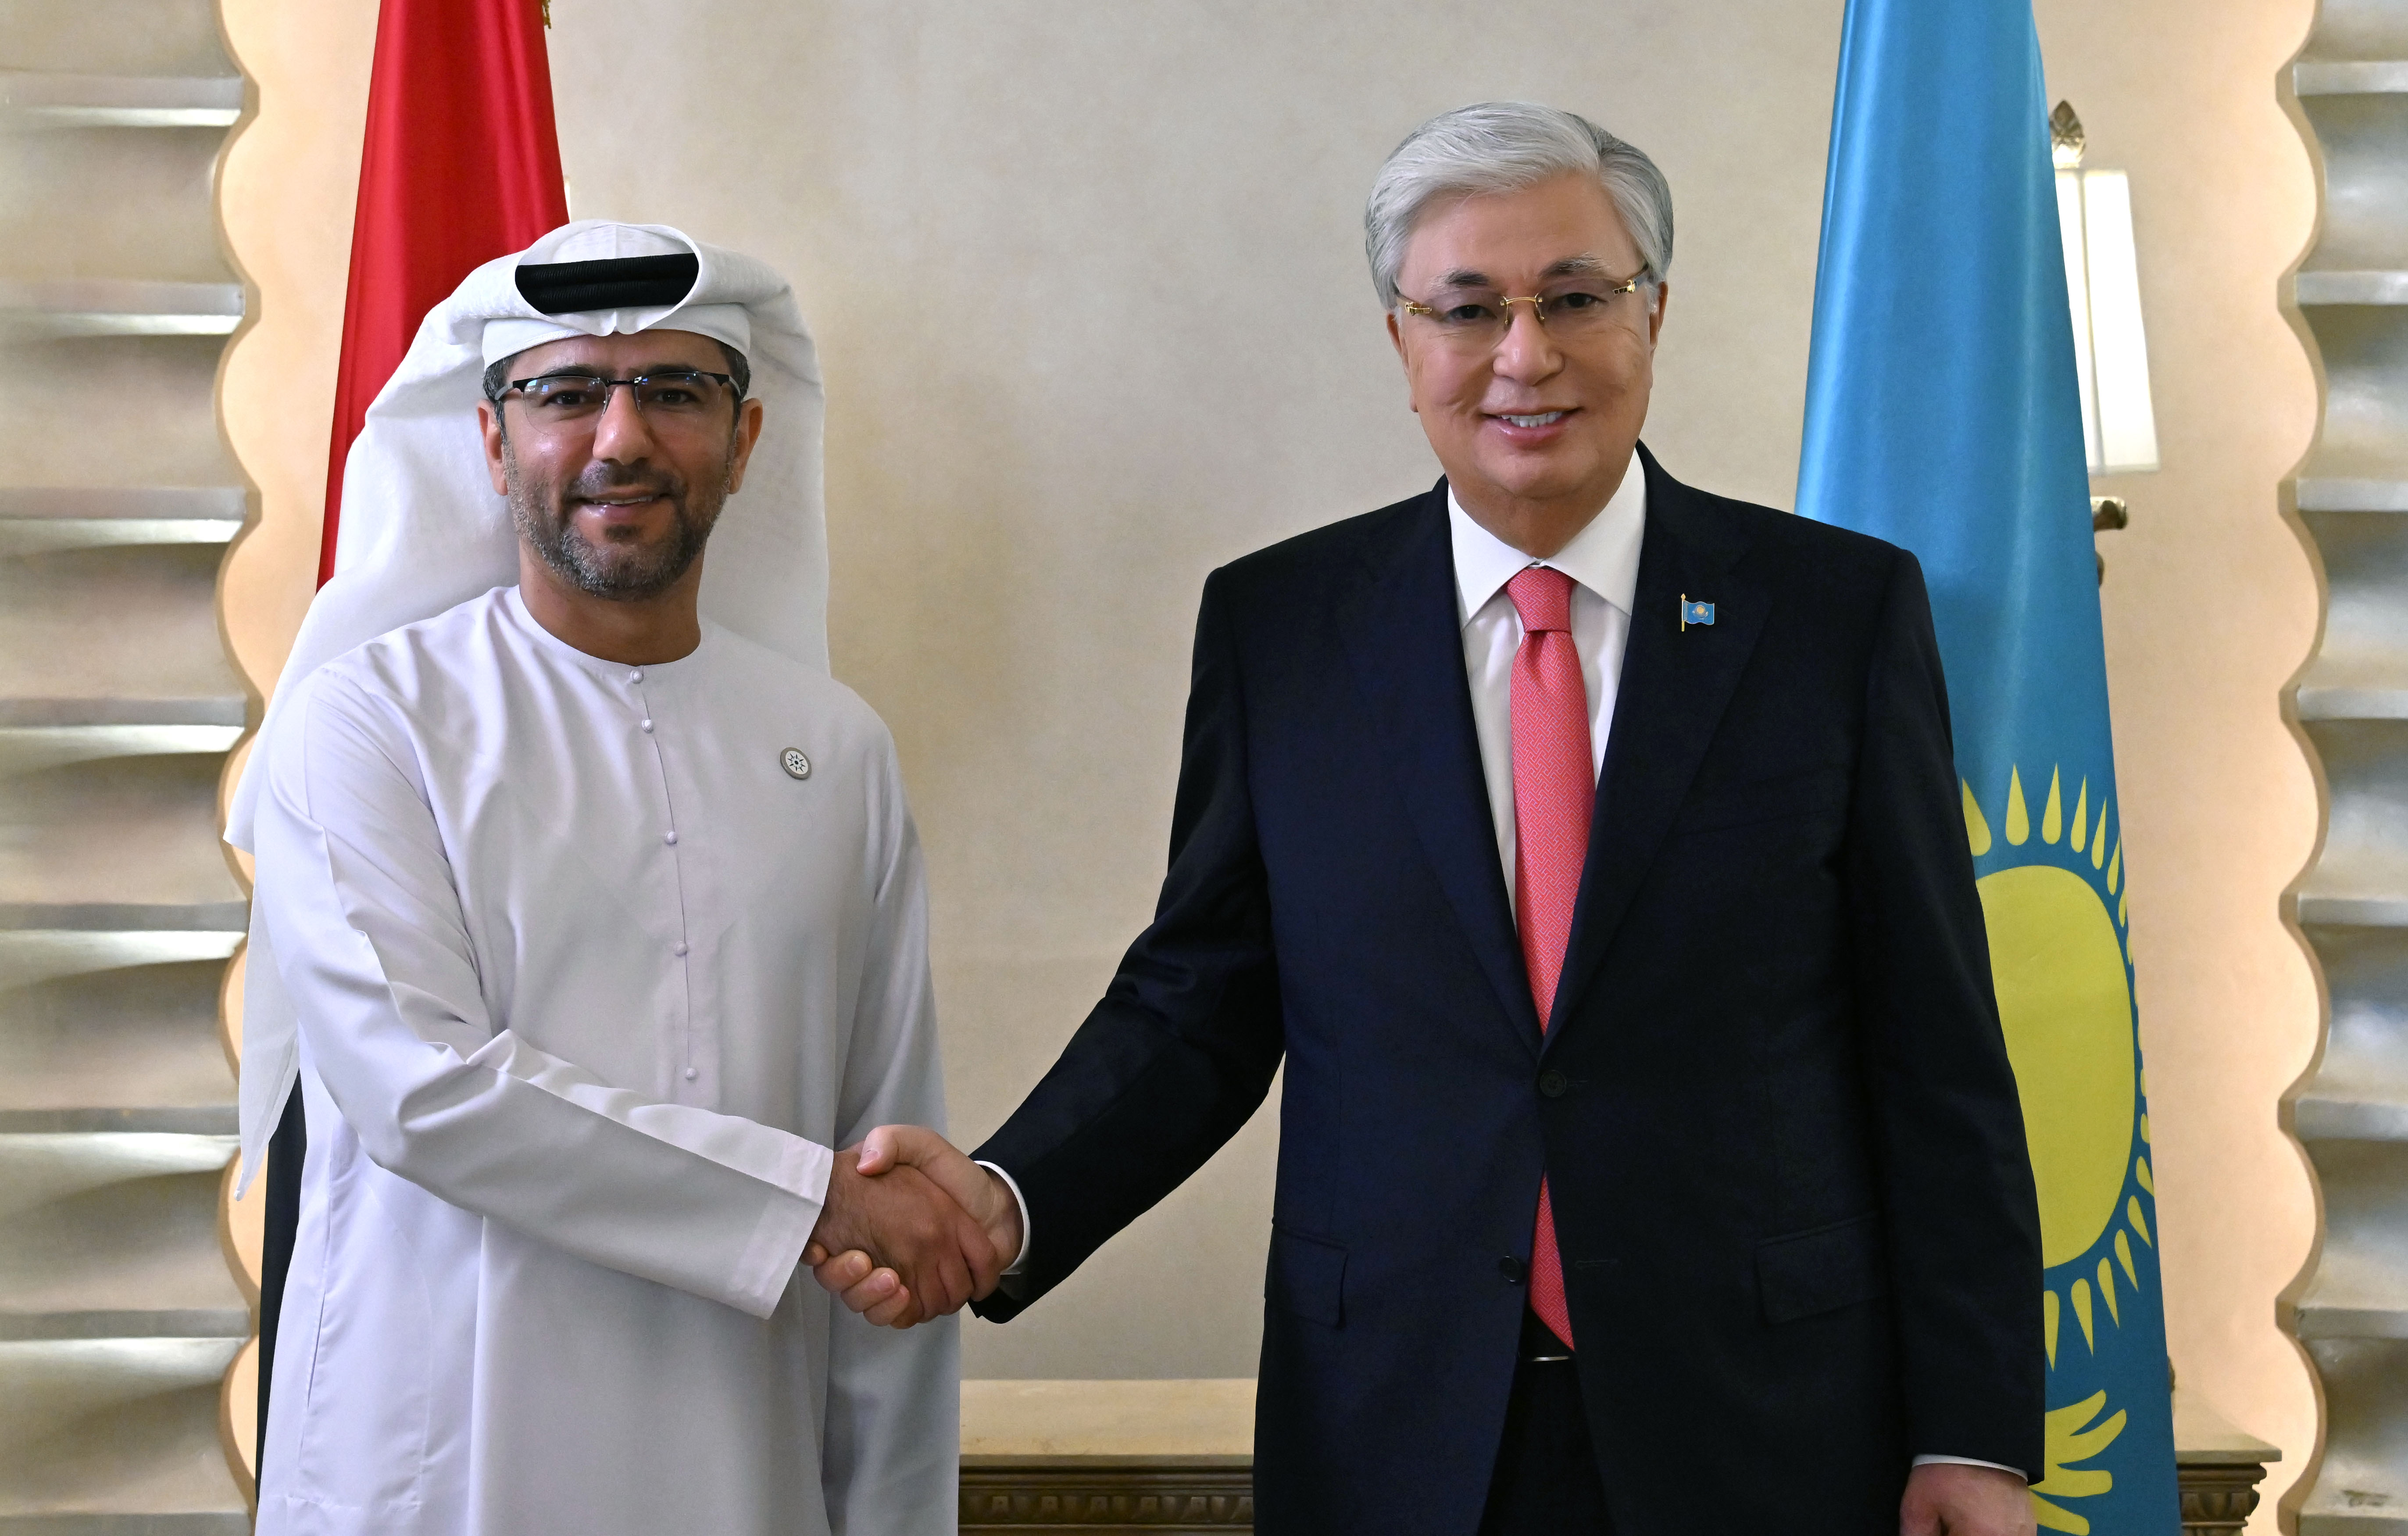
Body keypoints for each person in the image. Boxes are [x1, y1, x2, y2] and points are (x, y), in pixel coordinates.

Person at [810, 104, 2047, 1536]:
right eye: (1467, 311)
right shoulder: (1283, 629)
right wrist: (1006, 1198)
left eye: (1574, 299)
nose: (1525, 355)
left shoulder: (1831, 615)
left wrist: (1972, 1433)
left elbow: (1933, 1047)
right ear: (1402, 343)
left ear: (1652, 313)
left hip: (1767, 1426)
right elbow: (1200, 1002)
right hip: (1394, 1422)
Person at [228, 222, 997, 1536]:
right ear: (491, 441)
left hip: (741, 1475)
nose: (621, 438)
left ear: (746, 441)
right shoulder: (370, 721)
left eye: (675, 391)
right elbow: (421, 1088)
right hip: (441, 1476)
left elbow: (891, 1184)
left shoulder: (836, 752)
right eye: (568, 392)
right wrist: (807, 1197)